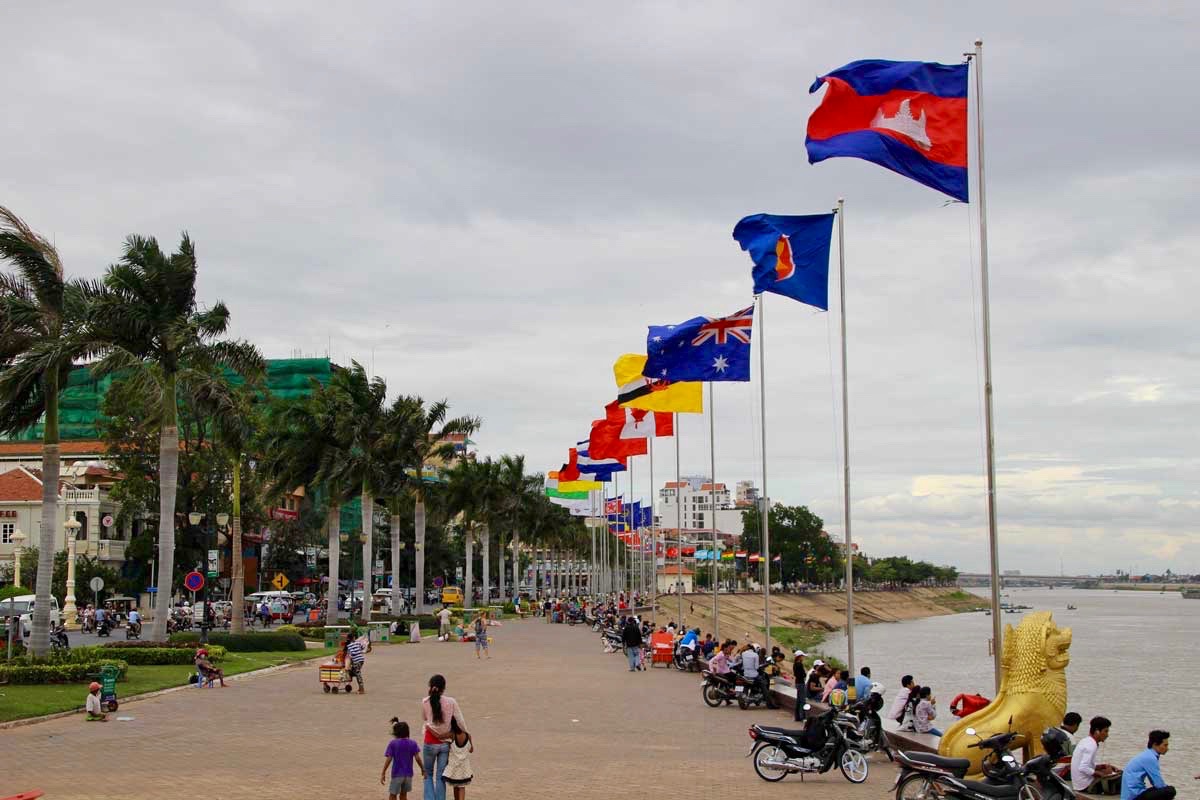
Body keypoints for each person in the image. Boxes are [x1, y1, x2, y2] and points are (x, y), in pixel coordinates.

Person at [422, 674, 466, 800]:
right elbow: (460, 721)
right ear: (444, 688)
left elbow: (425, 718)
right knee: (441, 775)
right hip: (444, 744)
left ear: (430, 687)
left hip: (429, 742)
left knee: (428, 774)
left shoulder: (425, 701)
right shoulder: (451, 702)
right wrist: (467, 735)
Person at [1072, 715, 1121, 794]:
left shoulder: (1085, 741)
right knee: (1122, 778)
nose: (1107, 735)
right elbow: (1083, 767)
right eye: (1105, 731)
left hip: (1078, 783)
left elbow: (1087, 765)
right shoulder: (1091, 745)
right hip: (1086, 786)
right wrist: (1101, 774)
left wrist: (1102, 766)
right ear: (1097, 731)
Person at [1120, 730, 1175, 800]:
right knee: (1170, 790)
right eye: (1165, 745)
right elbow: (1159, 784)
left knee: (1164, 790)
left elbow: (1154, 782)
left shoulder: (1147, 754)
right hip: (1133, 796)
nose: (1167, 748)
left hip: (1132, 794)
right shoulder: (1150, 758)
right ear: (1155, 744)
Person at [382, 718, 424, 800]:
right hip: (408, 775)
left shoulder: (393, 743)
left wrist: (383, 772)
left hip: (397, 774)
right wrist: (423, 769)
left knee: (393, 795)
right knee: (404, 795)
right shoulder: (413, 743)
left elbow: (389, 759)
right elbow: (417, 758)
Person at [441, 716, 474, 799]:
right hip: (464, 766)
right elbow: (471, 750)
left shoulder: (452, 735)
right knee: (462, 787)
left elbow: (439, 737)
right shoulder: (468, 735)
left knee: (455, 785)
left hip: (454, 766)